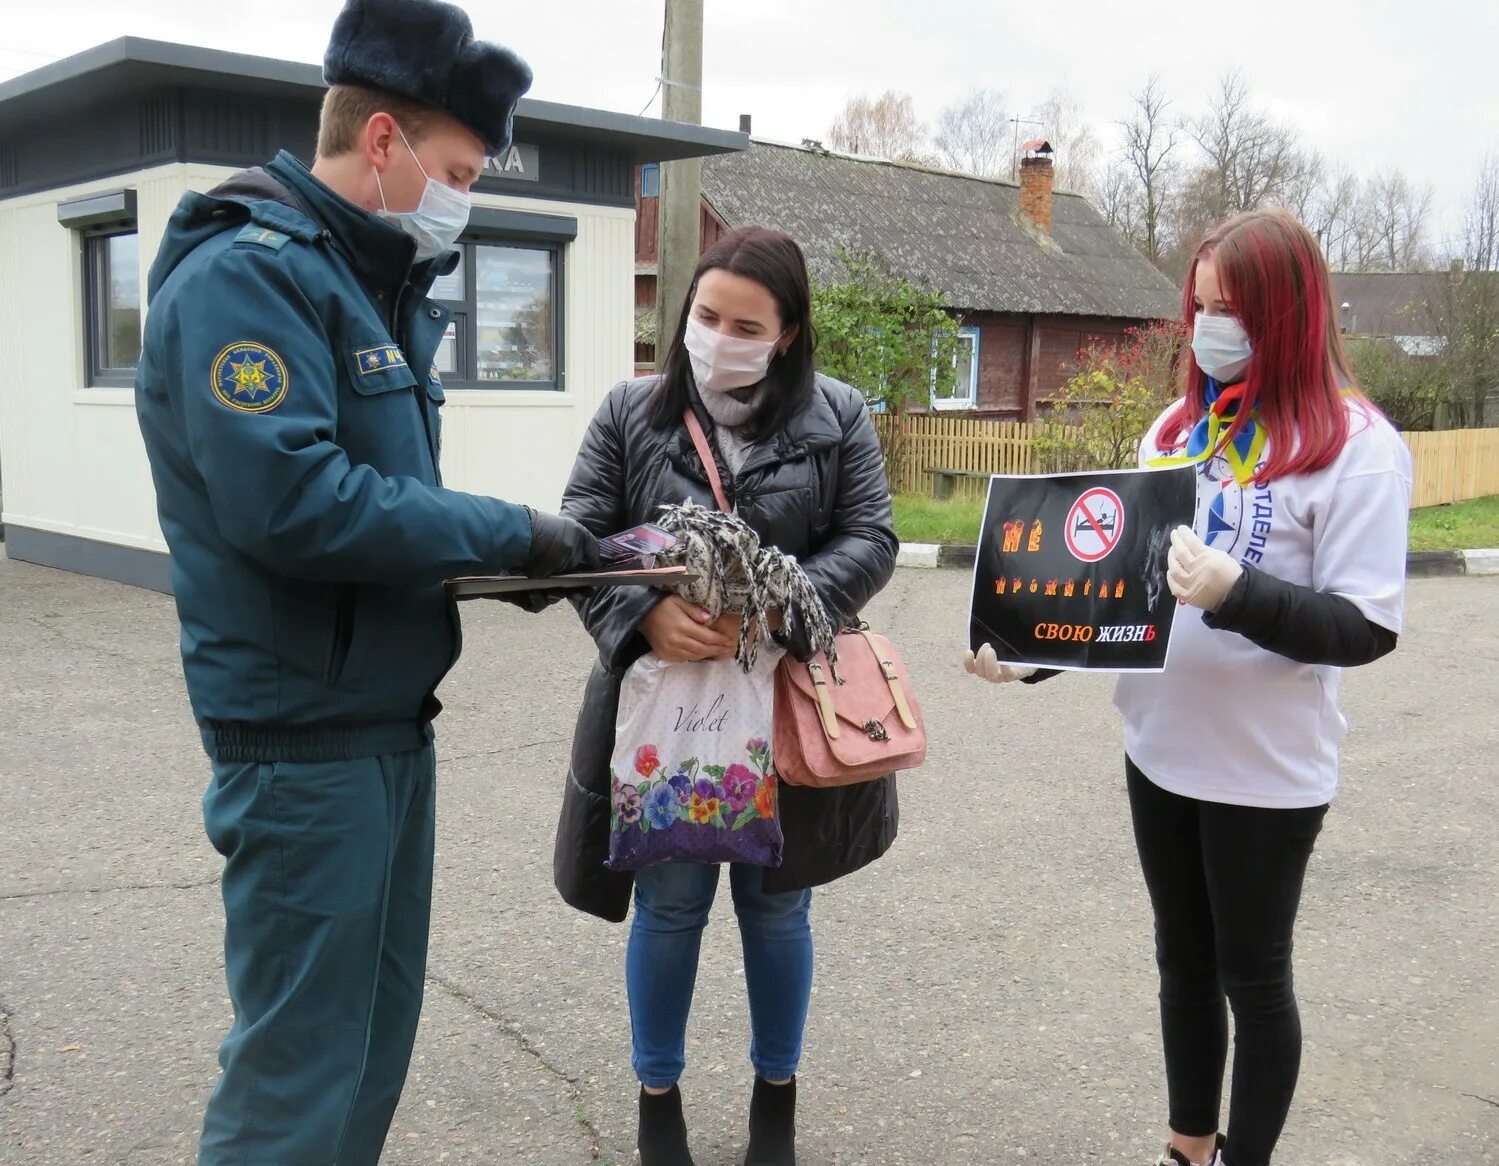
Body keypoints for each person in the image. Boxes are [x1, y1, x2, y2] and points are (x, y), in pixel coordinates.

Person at [133, 1, 598, 1161]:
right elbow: (293, 502)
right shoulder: (251, 279)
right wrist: (514, 530)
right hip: (301, 749)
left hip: (382, 728)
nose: (463, 198)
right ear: (381, 141)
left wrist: (538, 561)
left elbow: (382, 525)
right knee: (296, 1080)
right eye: (455, 168)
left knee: (367, 1054)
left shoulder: (359, 285)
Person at [964, 209, 1411, 1166]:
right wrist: (1025, 647)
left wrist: (1234, 591)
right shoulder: (1179, 426)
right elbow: (1114, 584)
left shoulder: (1355, 445)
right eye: (1200, 305)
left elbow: (1364, 625)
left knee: (1253, 981)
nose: (1210, 327)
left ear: (1290, 316)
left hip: (1263, 771)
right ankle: (1185, 1148)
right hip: (1158, 749)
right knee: (1182, 966)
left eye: (1233, 309)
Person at [553, 226, 900, 1166]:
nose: (718, 336)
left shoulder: (838, 415)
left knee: (778, 907)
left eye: (746, 323)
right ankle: (655, 1097)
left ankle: (773, 1098)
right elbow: (582, 535)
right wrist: (642, 617)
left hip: (785, 705)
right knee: (669, 905)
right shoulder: (633, 411)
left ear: (786, 333)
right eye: (705, 316)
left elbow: (871, 538)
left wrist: (781, 609)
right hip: (666, 709)